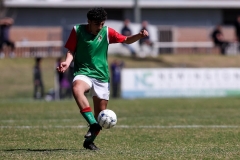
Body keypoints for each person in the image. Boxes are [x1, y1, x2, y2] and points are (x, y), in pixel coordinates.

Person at [56, 7, 149, 150]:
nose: (99, 27)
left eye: (102, 23)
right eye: (96, 24)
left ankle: (89, 142)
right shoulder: (77, 31)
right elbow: (71, 50)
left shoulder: (107, 32)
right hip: (84, 72)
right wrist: (67, 63)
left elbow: (126, 40)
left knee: (100, 116)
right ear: (89, 22)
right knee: (76, 88)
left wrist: (139, 35)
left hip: (102, 77)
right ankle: (92, 124)